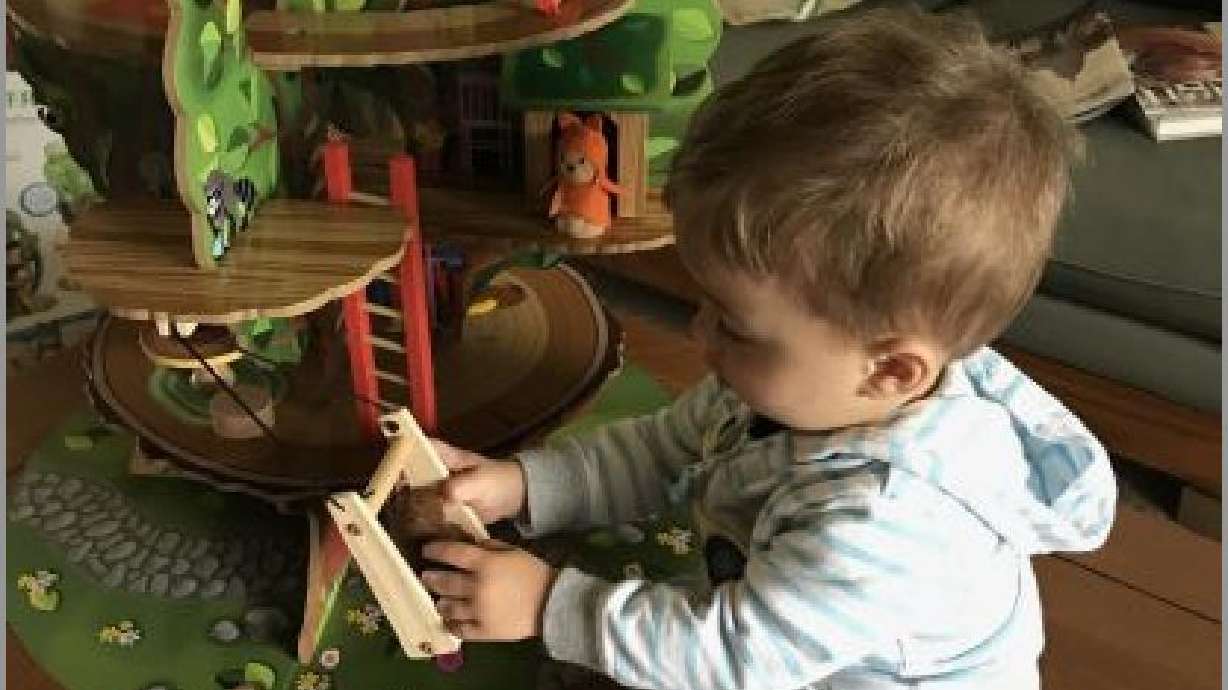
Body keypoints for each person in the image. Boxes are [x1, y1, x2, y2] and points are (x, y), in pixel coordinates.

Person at [419, 7, 1117, 689]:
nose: (698, 333)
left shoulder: (884, 521)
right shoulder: (806, 384)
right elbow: (662, 448)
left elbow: (731, 659)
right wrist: (523, 484)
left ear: (890, 370)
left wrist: (547, 606)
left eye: (733, 324)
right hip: (773, 620)